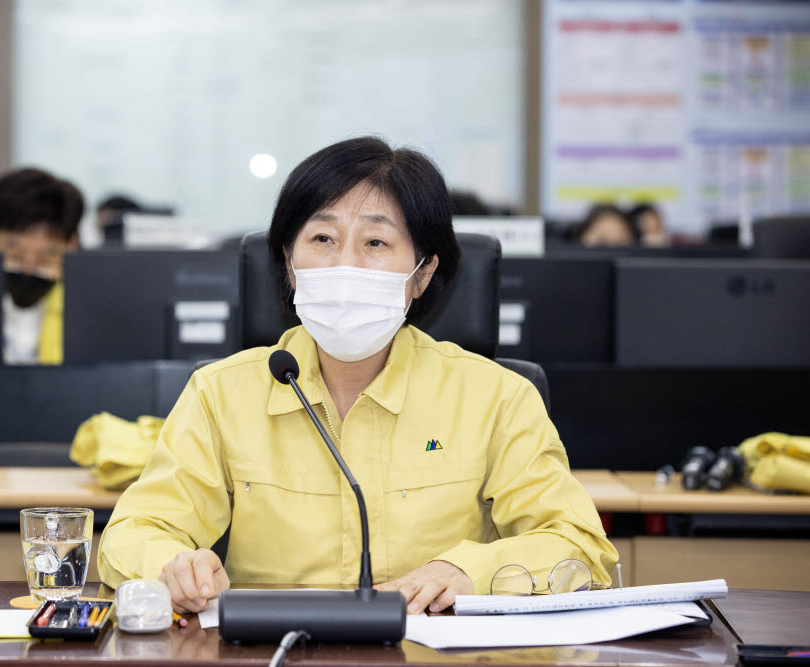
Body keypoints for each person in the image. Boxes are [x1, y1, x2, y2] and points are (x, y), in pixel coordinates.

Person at [98, 137, 618, 615]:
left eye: (375, 243)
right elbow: (134, 531)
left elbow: (578, 545)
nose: (344, 264)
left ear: (423, 273)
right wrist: (172, 564)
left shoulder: (497, 398)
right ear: (288, 261)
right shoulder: (221, 394)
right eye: (322, 238)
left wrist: (468, 571)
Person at [0, 167, 84, 365]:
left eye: (46, 257)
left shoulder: (88, 312)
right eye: (15, 252)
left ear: (72, 245)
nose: (28, 268)